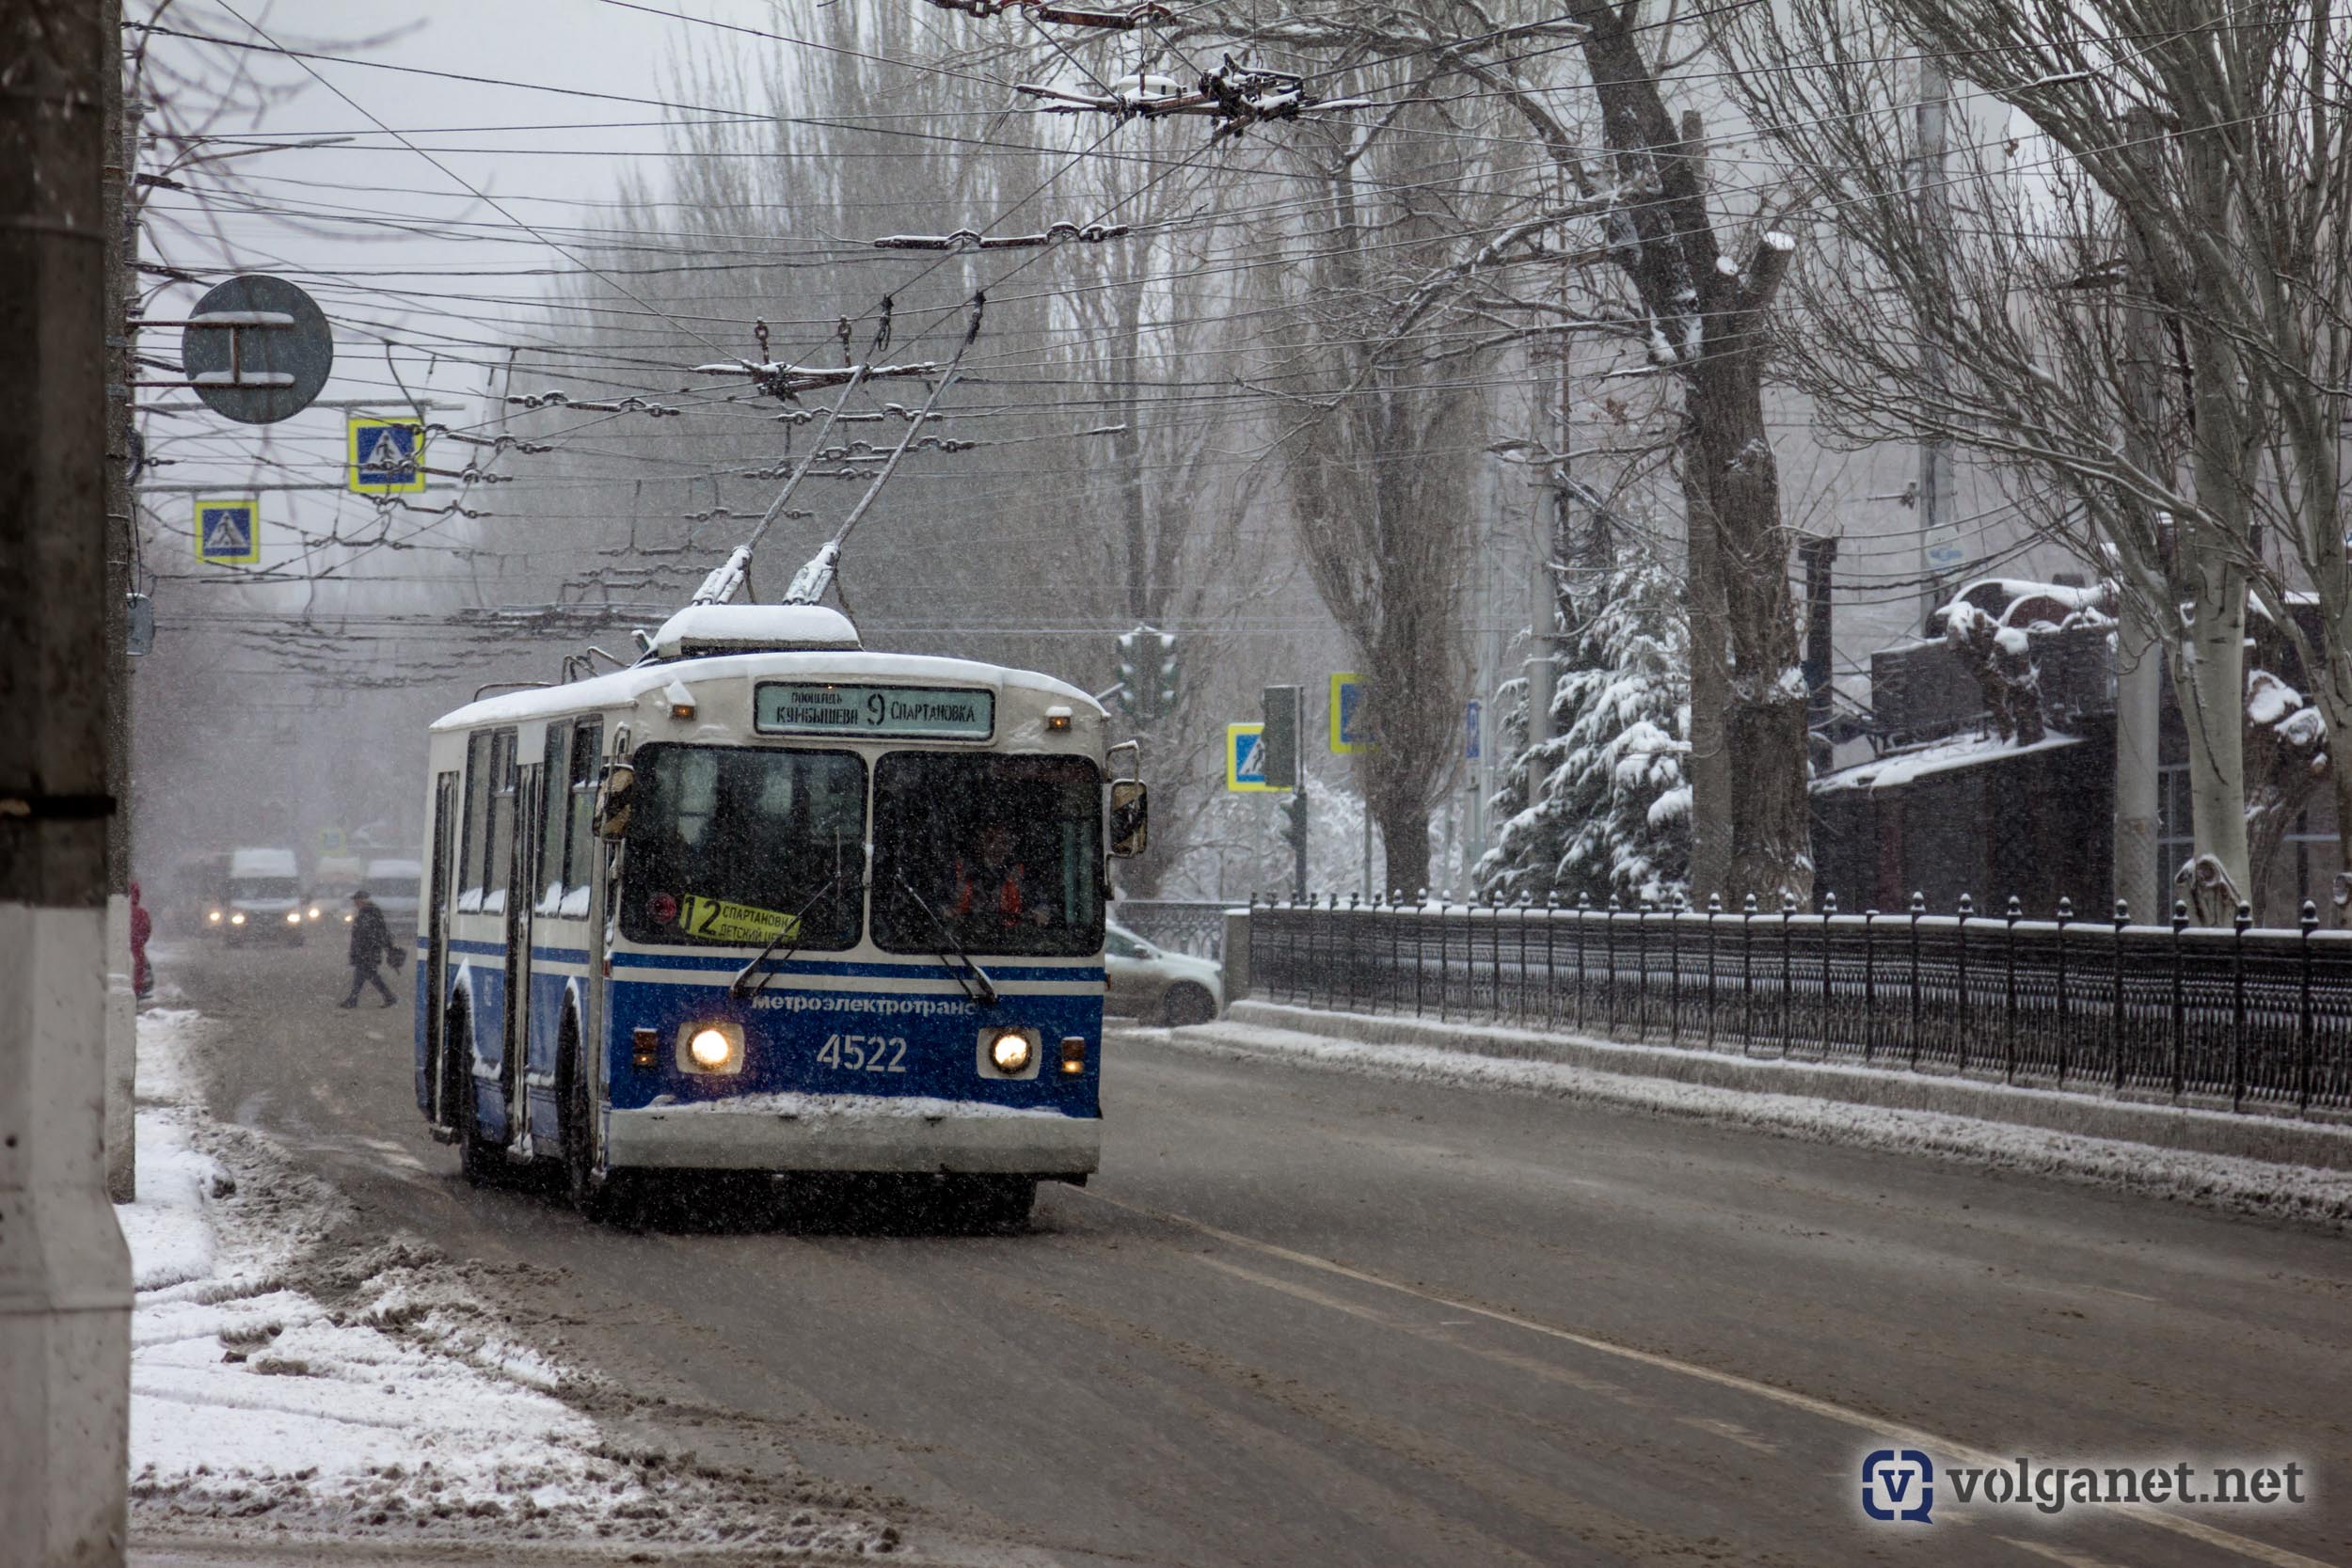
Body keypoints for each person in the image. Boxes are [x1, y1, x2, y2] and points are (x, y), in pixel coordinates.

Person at [950, 822, 1052, 929]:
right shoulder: (960, 870)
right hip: (962, 938)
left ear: (1011, 845)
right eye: (990, 840)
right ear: (978, 843)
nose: (996, 847)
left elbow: (1041, 903)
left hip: (1013, 940)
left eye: (1004, 842)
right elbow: (942, 904)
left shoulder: (1023, 874)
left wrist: (1040, 912)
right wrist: (947, 911)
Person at [341, 890, 397, 1008]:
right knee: (366, 976)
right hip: (364, 951)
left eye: (357, 900)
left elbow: (378, 932)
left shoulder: (371, 913)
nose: (355, 903)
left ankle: (354, 999)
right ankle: (387, 997)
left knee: (366, 976)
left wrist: (385, 947)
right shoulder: (365, 912)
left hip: (368, 952)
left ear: (363, 900)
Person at [128, 880, 153, 999]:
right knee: (137, 977)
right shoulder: (142, 914)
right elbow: (147, 931)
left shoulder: (116, 911)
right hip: (137, 952)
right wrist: (139, 942)